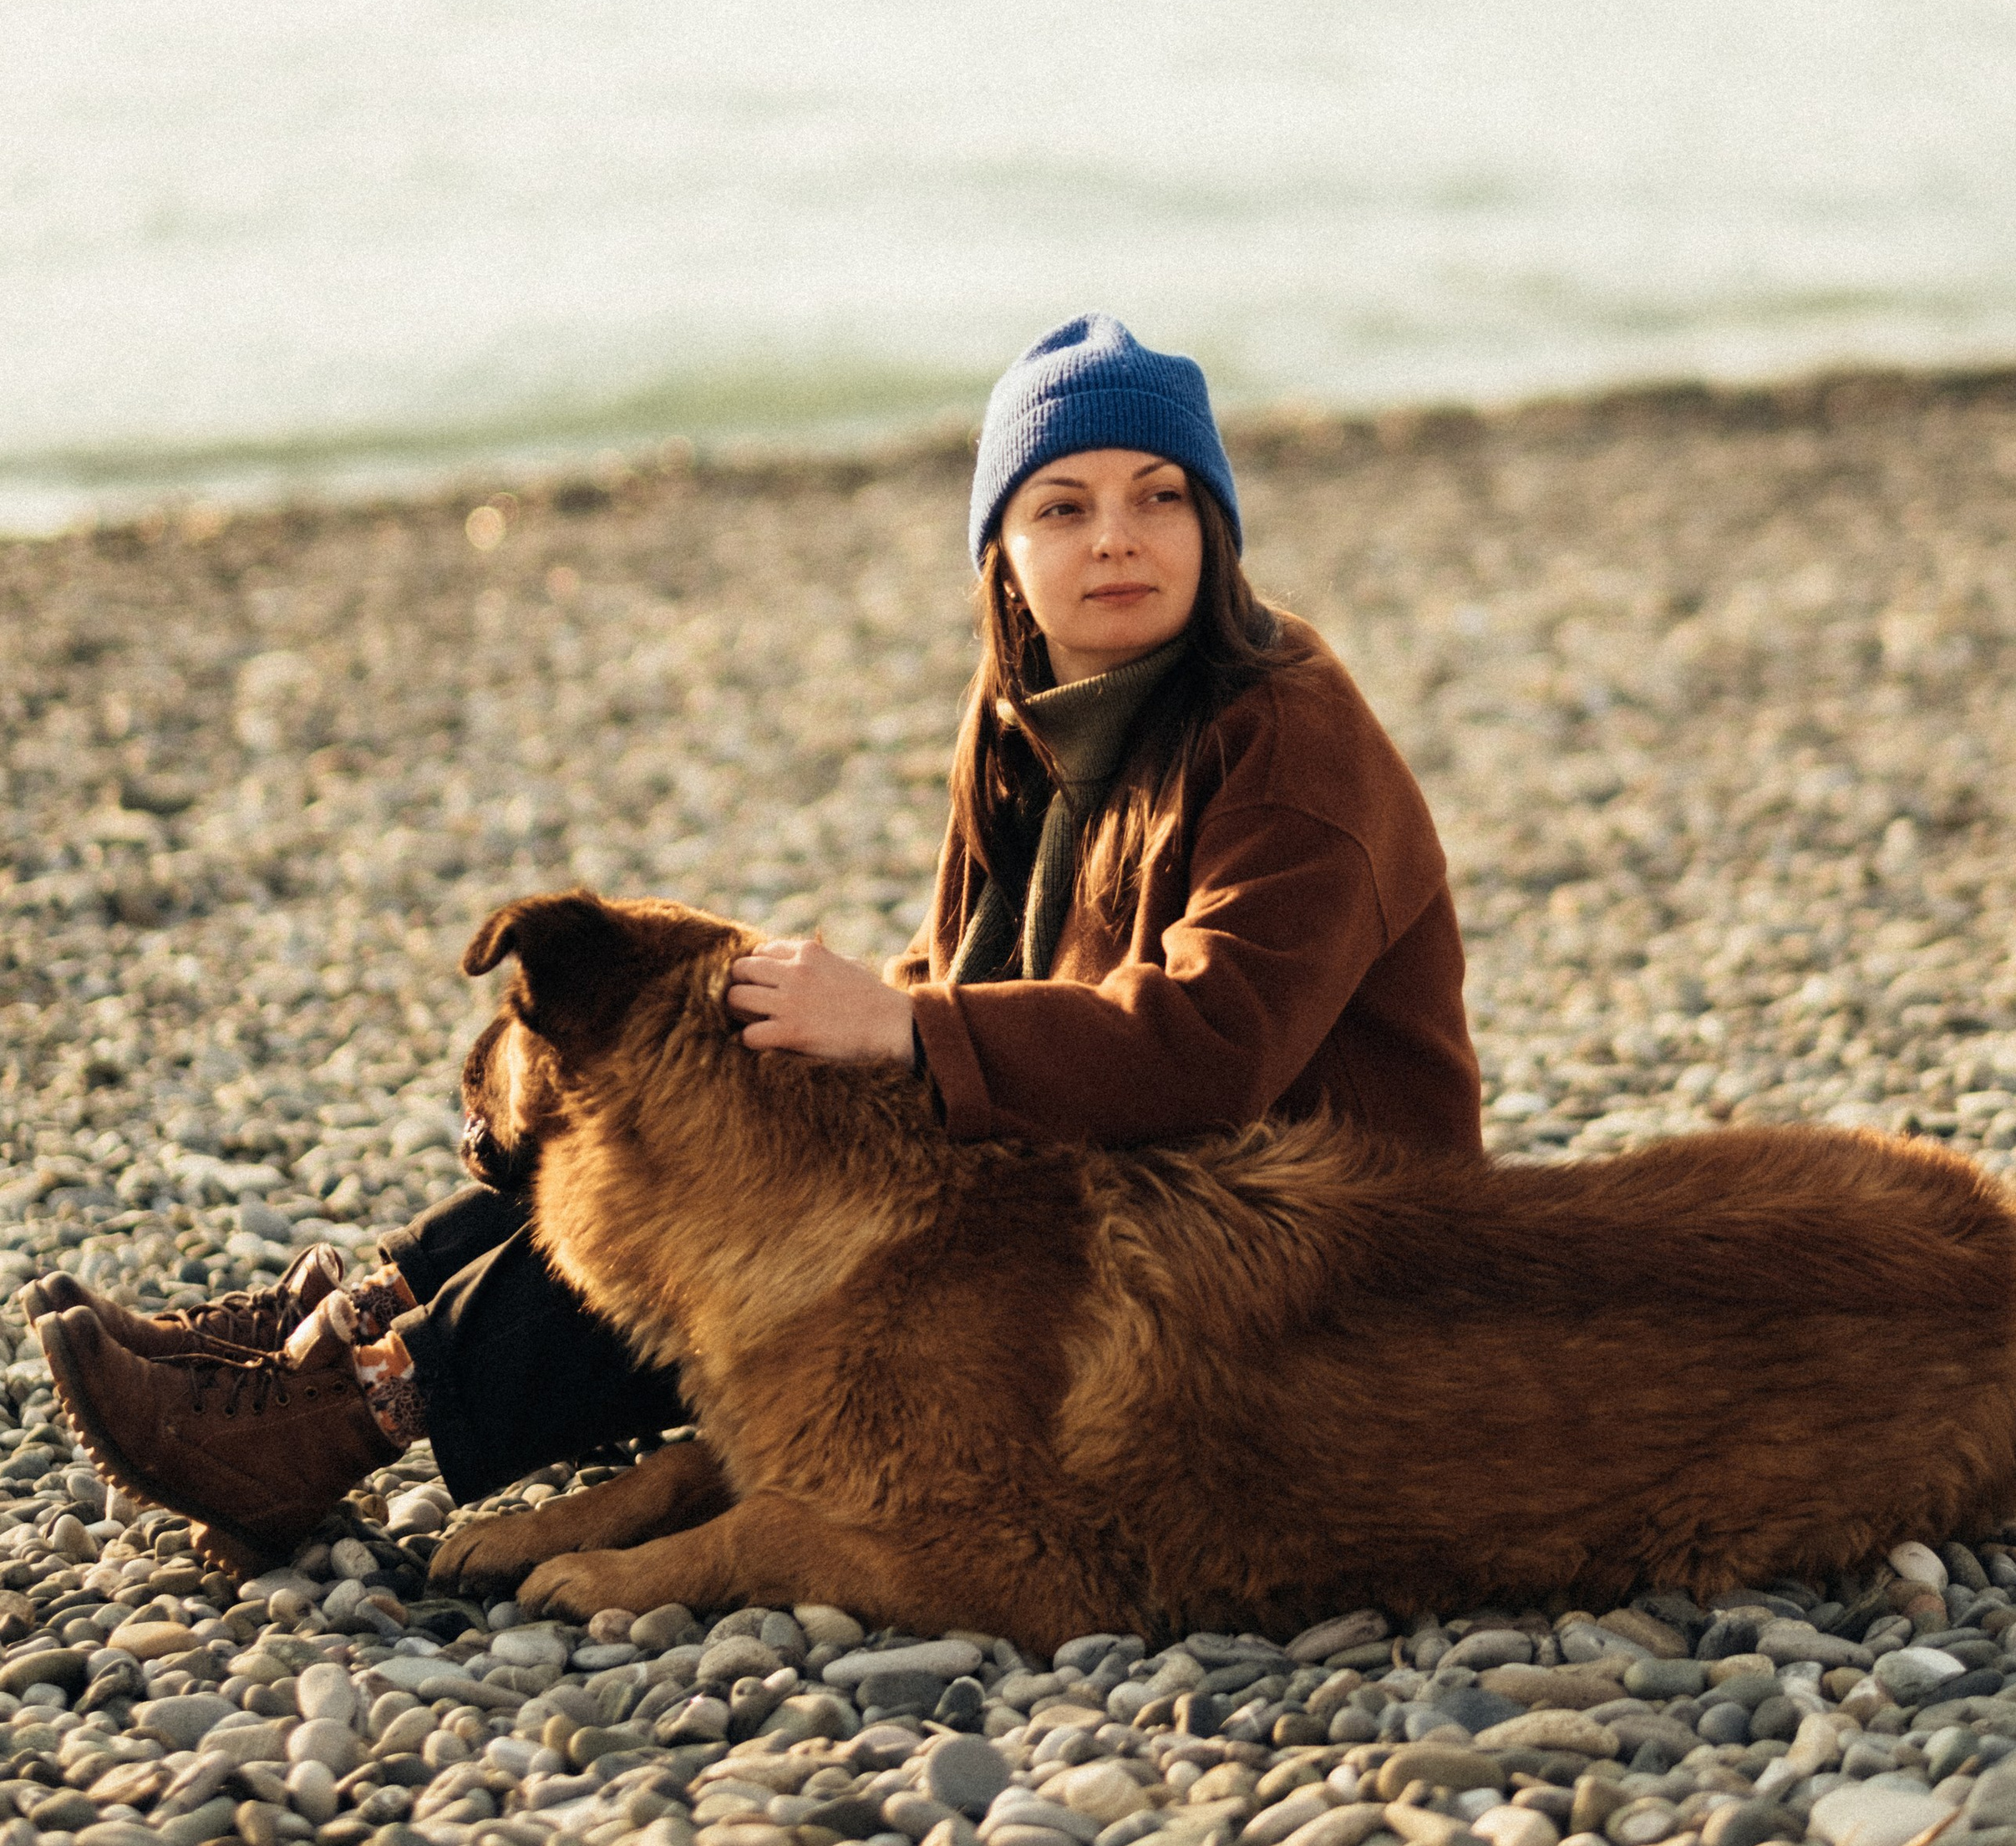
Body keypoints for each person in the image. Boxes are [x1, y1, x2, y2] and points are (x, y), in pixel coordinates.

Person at [27, 313, 1482, 1574]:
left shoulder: (1291, 731)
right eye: (1063, 506)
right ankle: (326, 1335)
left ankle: (357, 1411)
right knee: (685, 1112)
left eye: (1160, 496)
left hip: (1285, 1252)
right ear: (1005, 556)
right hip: (1112, 1181)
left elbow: (1217, 1047)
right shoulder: (1026, 716)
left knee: (723, 1199)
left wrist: (906, 1034)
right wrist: (803, 1035)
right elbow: (969, 976)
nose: (1116, 537)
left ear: (1214, 527)